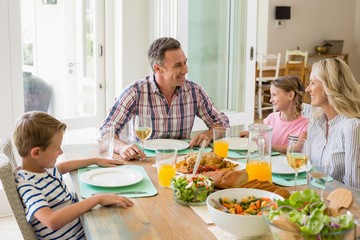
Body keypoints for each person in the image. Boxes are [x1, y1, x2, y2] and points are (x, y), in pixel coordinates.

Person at [101, 37, 229, 161]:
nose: (185, 70)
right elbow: (105, 133)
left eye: (185, 63)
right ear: (158, 68)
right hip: (143, 161)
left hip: (181, 163)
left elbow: (222, 122)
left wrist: (209, 134)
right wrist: (122, 147)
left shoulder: (194, 91)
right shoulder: (134, 92)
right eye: (178, 65)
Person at [13, 111, 133, 239]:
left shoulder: (40, 169)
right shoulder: (27, 185)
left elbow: (62, 167)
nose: (61, 152)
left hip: (81, 229)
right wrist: (96, 199)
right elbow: (51, 221)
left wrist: (94, 160)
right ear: (36, 153)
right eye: (56, 148)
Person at [306, 58, 360, 191]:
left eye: (312, 83)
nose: (307, 89)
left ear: (329, 86)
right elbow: (309, 168)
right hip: (316, 197)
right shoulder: (315, 122)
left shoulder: (351, 126)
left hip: (342, 205)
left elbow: (353, 189)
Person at [240, 75, 308, 153]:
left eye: (274, 95)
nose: (270, 100)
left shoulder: (305, 124)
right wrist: (251, 136)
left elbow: (296, 148)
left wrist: (270, 146)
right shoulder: (271, 118)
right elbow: (262, 140)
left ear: (290, 95)